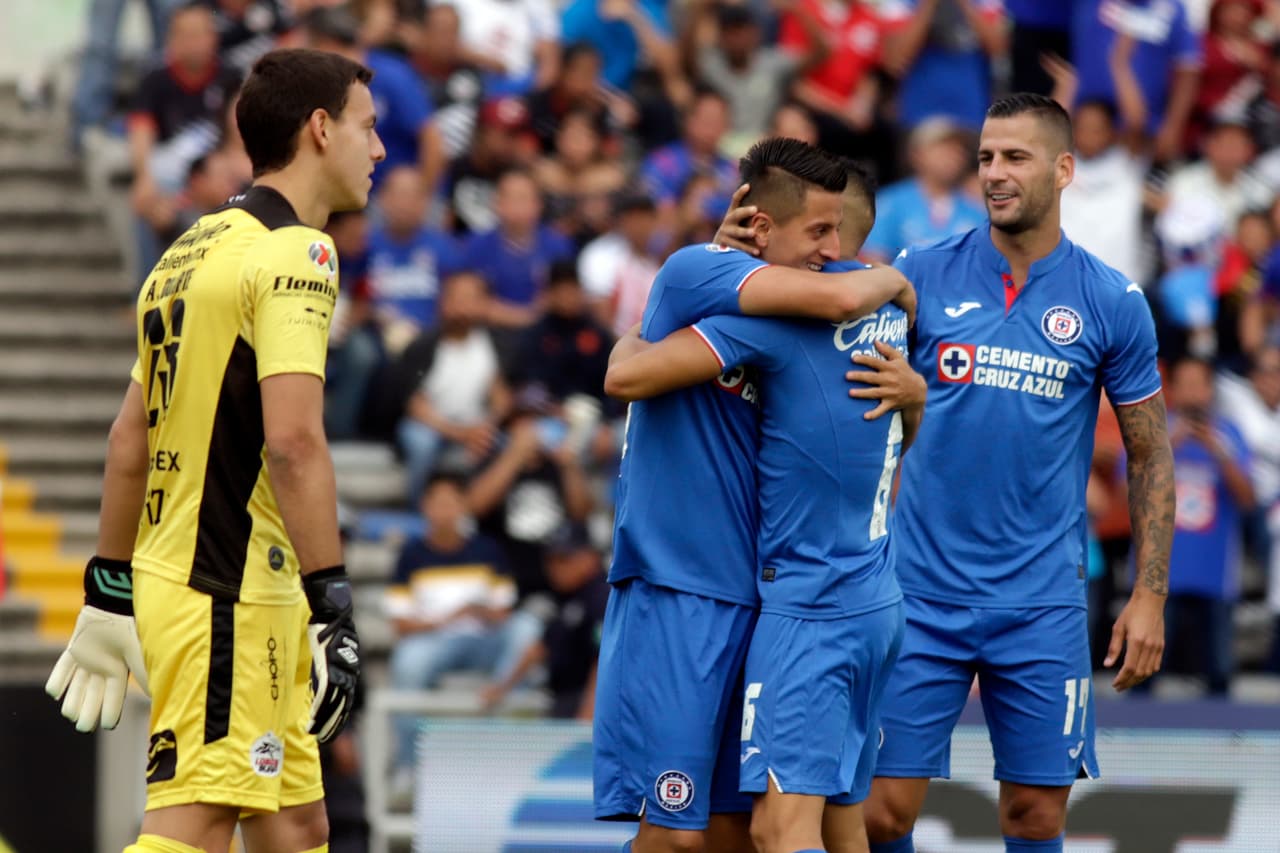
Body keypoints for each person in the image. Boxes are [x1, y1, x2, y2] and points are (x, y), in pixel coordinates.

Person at [45, 48, 383, 853]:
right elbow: (294, 442)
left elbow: (131, 437)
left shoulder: (186, 251)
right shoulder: (298, 252)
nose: (378, 151)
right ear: (321, 128)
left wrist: (109, 585)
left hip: (197, 582)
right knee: (193, 825)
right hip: (226, 585)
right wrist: (333, 602)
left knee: (296, 826)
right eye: (369, 129)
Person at [861, 93, 1174, 853]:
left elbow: (1151, 451)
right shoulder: (919, 272)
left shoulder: (1111, 300)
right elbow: (854, 405)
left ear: (1064, 169)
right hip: (919, 589)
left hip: (1040, 600)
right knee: (879, 814)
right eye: (985, 158)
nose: (994, 173)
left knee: (1033, 816)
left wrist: (1149, 593)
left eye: (1015, 157)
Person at [592, 137, 918, 853]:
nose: (832, 249)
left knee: (734, 831)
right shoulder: (697, 270)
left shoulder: (781, 323)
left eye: (840, 233)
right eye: (819, 232)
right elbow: (622, 373)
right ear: (762, 226)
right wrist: (893, 281)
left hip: (766, 599)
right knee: (676, 833)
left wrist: (915, 394)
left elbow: (872, 441)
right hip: (678, 588)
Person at [1141, 357, 1253, 696]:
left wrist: (1217, 451)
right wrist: (1169, 445)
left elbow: (1248, 499)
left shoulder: (1229, 435)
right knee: (1143, 675)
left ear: (1209, 390)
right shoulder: (1153, 430)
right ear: (1171, 389)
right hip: (1158, 574)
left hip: (1215, 576)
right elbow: (1129, 490)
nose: (1191, 393)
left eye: (1198, 384)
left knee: (1218, 675)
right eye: (1184, 384)